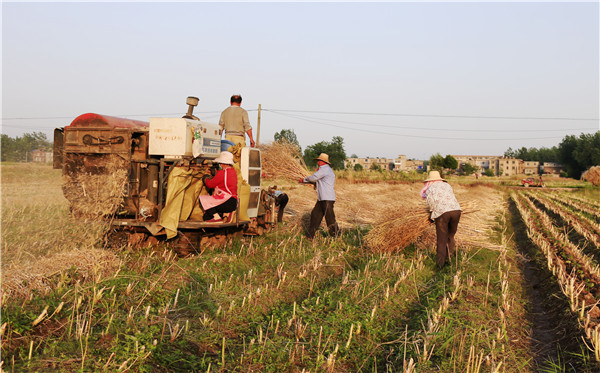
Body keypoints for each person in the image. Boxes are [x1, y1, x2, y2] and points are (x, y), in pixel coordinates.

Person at [420, 170, 462, 268]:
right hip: (456, 211)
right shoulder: (447, 185)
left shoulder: (430, 188)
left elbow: (431, 204)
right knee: (450, 236)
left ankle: (440, 265)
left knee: (441, 240)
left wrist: (431, 216)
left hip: (443, 213)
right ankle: (451, 260)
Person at [299, 153, 340, 239]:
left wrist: (303, 179)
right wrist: (305, 181)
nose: (317, 161)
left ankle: (336, 237)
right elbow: (315, 180)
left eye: (318, 160)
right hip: (322, 198)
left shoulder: (324, 170)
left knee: (330, 219)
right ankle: (309, 236)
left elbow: (314, 178)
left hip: (327, 199)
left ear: (322, 161)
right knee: (315, 216)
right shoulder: (324, 170)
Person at [199, 151, 238, 222]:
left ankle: (216, 217)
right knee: (208, 213)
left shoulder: (222, 173)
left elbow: (210, 185)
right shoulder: (232, 171)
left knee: (202, 200)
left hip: (227, 201)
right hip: (234, 201)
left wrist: (206, 178)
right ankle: (225, 215)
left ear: (222, 164)